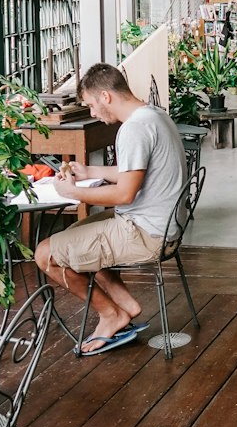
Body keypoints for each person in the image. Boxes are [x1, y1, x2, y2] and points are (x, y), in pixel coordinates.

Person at [34, 63, 187, 355]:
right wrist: (90, 171)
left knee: (45, 254)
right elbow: (134, 172)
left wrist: (73, 192)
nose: (92, 113)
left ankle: (110, 314)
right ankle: (126, 305)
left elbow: (125, 193)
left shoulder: (133, 129)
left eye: (91, 105)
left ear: (105, 97)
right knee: (79, 232)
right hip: (163, 225)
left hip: (146, 233)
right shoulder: (153, 115)